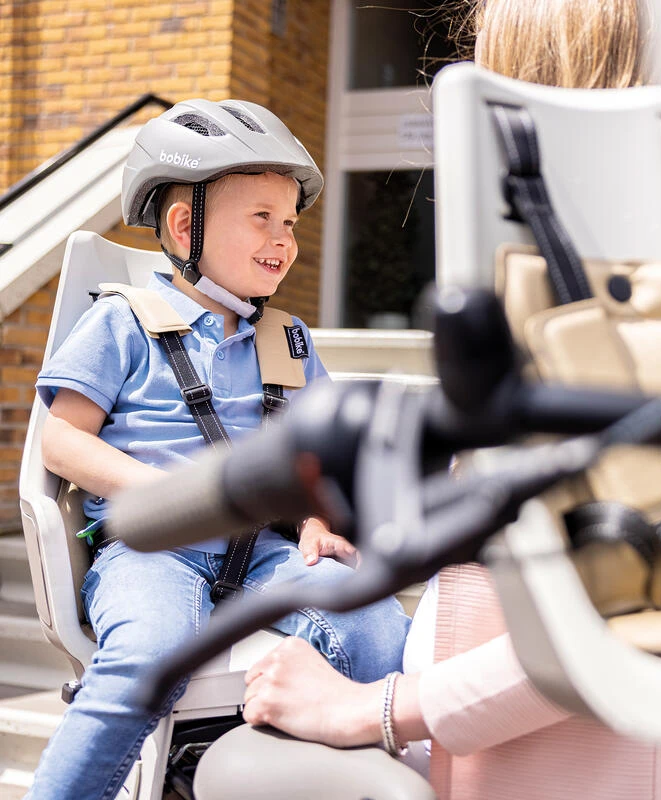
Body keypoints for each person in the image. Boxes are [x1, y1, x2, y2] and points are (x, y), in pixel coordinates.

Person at [195, 2, 661, 799]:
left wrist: (371, 708)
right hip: (497, 750)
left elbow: (625, 622)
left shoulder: (636, 326)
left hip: (540, 773)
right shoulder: (615, 305)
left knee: (233, 766)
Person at [27, 99, 410, 800]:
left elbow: (317, 456)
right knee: (148, 658)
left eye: (290, 223)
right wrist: (160, 495)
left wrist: (318, 521)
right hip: (153, 549)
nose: (283, 239)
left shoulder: (290, 340)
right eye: (262, 217)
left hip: (264, 550)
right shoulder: (121, 321)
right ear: (185, 226)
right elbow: (60, 440)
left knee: (377, 626)